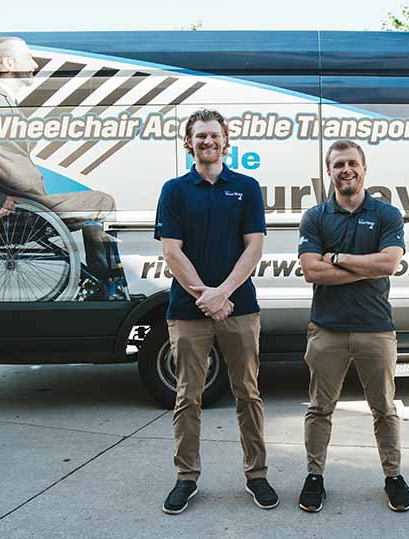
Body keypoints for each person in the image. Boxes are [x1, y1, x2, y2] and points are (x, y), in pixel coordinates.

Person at [154, 108, 276, 514]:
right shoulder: (174, 190)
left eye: (214, 135)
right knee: (188, 395)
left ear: (226, 140)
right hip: (187, 312)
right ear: (188, 143)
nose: (208, 142)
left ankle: (256, 475)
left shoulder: (246, 187)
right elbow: (172, 251)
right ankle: (185, 478)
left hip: (239, 308)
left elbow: (254, 247)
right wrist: (204, 295)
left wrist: (222, 294)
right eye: (200, 136)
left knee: (248, 393)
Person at [0, 36, 124, 300]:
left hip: (30, 205)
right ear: (8, 62)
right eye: (27, 57)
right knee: (101, 201)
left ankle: (103, 281)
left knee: (95, 204)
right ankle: (107, 283)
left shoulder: (1, 100)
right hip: (25, 210)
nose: (34, 64)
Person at [296, 140, 409, 513]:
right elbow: (312, 270)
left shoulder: (386, 214)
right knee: (319, 409)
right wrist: (364, 267)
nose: (345, 170)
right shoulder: (315, 216)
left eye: (352, 163)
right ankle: (314, 477)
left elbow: (389, 264)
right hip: (326, 329)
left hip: (376, 328)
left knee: (384, 409)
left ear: (364, 169)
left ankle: (393, 477)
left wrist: (339, 259)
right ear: (328, 172)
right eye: (338, 165)